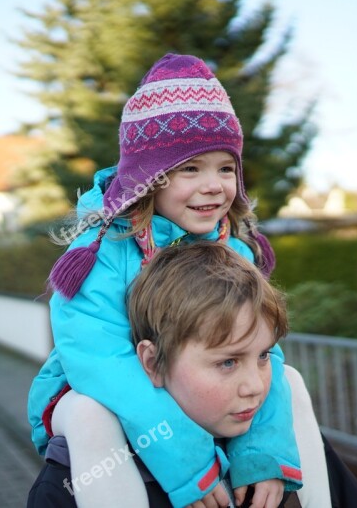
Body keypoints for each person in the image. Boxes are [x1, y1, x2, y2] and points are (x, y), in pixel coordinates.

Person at [27, 53, 331, 508]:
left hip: (192, 383)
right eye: (191, 168)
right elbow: (101, 361)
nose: (214, 186)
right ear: (148, 177)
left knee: (289, 378)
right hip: (102, 389)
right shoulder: (104, 253)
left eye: (225, 168)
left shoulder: (234, 250)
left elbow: (257, 349)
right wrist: (189, 463)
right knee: (91, 414)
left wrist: (261, 453)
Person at [28, 241, 294, 507]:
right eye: (227, 363)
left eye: (263, 356)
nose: (255, 386)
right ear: (153, 363)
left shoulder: (274, 471)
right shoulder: (74, 486)